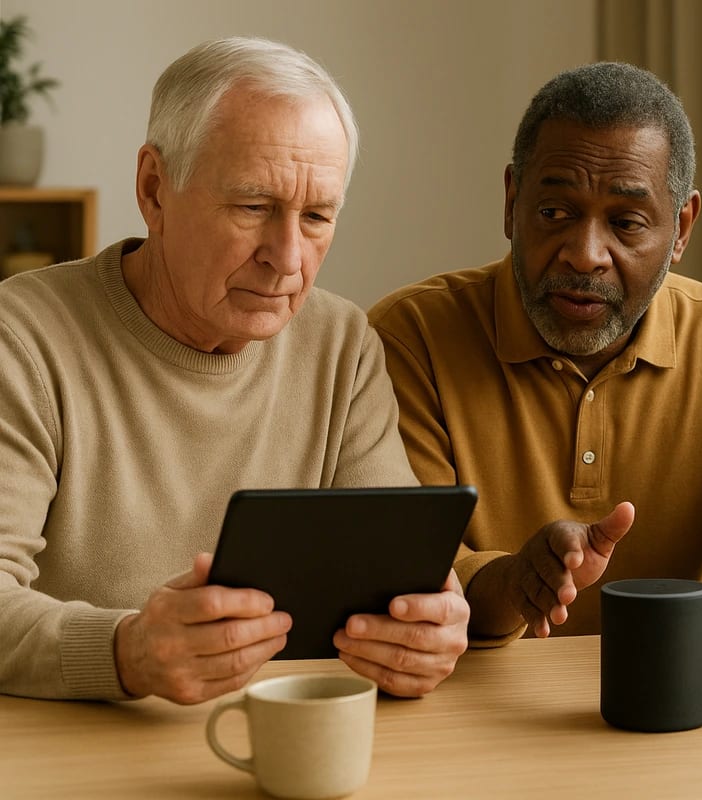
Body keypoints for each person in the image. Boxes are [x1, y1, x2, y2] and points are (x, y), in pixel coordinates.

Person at [0, 37, 468, 704]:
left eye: (316, 217)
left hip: (275, 744)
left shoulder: (342, 344)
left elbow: (400, 586)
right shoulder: (21, 338)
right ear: (154, 191)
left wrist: (425, 632)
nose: (286, 258)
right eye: (253, 207)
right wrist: (126, 652)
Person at [368, 62, 702, 691]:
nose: (585, 253)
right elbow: (411, 568)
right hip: (465, 703)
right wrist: (516, 579)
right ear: (511, 202)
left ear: (680, 228)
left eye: (626, 223)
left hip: (665, 696)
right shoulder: (409, 338)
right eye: (554, 211)